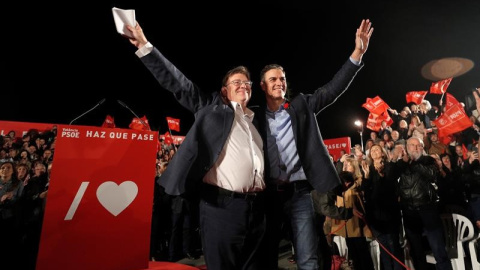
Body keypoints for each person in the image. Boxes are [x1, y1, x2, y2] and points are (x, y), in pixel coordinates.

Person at [123, 22, 266, 270]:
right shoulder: (211, 108)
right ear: (224, 91)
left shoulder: (255, 123)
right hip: (222, 208)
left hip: (256, 210)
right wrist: (145, 46)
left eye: (247, 83)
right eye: (237, 83)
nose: (244, 86)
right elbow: (178, 83)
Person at [256, 19, 373, 270]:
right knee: (266, 257)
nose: (280, 82)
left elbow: (332, 89)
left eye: (283, 78)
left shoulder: (301, 105)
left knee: (308, 258)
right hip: (268, 197)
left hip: (300, 194)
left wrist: (357, 53)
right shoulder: (253, 118)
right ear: (263, 85)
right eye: (274, 79)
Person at [394, 137, 453, 270]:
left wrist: (415, 162)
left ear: (422, 148)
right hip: (409, 213)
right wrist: (402, 162)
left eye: (418, 146)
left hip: (428, 210)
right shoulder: (401, 164)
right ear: (406, 147)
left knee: (439, 250)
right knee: (417, 253)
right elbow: (392, 175)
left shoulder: (428, 160)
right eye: (412, 145)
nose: (415, 148)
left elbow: (432, 175)